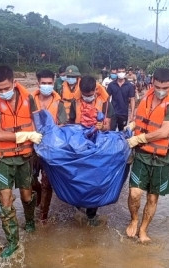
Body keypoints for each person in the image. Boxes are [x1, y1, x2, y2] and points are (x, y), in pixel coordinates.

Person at [0, 65, 42, 258]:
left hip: (24, 157)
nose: (2, 92)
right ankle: (13, 242)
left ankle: (30, 221)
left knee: (26, 196)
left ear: (14, 83)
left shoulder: (28, 98)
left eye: (6, 88)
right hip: (1, 160)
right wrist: (26, 135)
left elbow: (39, 122)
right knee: (5, 201)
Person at [125, 68, 169, 243]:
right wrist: (132, 124)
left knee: (152, 197)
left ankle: (143, 229)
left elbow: (165, 131)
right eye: (157, 86)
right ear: (152, 83)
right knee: (135, 193)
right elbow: (143, 118)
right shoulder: (147, 97)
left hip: (160, 158)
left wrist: (140, 138)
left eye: (165, 87)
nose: (160, 90)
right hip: (142, 154)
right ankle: (134, 219)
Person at [68, 75, 114, 226]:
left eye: (90, 95)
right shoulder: (75, 103)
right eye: (84, 95)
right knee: (78, 178)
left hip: (98, 148)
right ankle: (78, 205)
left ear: (95, 90)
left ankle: (91, 214)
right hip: (79, 146)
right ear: (80, 91)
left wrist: (103, 126)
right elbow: (70, 124)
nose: (87, 98)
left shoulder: (105, 103)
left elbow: (109, 127)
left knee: (95, 181)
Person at [31, 69, 67, 222]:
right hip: (31, 146)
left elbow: (63, 124)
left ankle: (43, 217)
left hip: (50, 149)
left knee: (47, 183)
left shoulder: (59, 103)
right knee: (31, 181)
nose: (47, 86)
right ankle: (37, 194)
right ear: (38, 84)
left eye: (49, 83)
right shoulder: (29, 100)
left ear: (54, 83)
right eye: (43, 83)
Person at [107, 65, 135, 131]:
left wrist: (132, 114)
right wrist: (106, 112)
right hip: (113, 113)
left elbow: (132, 99)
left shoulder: (129, 86)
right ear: (116, 72)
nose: (121, 73)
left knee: (122, 132)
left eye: (123, 71)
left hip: (123, 113)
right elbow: (107, 98)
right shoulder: (111, 85)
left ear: (125, 73)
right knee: (111, 131)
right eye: (119, 71)